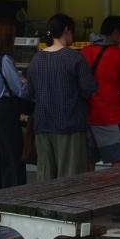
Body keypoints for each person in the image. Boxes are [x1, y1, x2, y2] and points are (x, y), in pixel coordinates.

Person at [26, 13, 97, 181]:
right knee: (70, 179)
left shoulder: (36, 59)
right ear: (66, 30)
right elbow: (89, 89)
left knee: (45, 178)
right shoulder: (74, 58)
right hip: (70, 125)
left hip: (42, 125)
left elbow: (30, 92)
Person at [0, 17, 32, 189]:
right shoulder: (4, 59)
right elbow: (20, 90)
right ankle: (15, 193)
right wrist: (28, 84)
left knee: (0, 157)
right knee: (13, 156)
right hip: (4, 111)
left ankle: (2, 190)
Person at [81, 16, 120, 168]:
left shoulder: (84, 52)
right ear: (116, 33)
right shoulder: (118, 54)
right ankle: (115, 186)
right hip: (110, 117)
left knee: (87, 163)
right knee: (118, 162)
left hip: (86, 116)